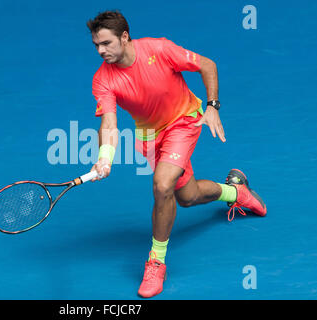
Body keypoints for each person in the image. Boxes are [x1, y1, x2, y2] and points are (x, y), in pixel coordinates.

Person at [86, 10, 266, 298]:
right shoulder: (103, 79)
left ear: (124, 36)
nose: (100, 50)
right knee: (186, 196)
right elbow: (108, 122)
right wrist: (105, 157)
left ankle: (156, 261)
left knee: (162, 185)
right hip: (149, 136)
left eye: (106, 43)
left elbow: (207, 65)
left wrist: (212, 106)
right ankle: (235, 193)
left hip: (183, 121)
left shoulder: (159, 49)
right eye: (96, 45)